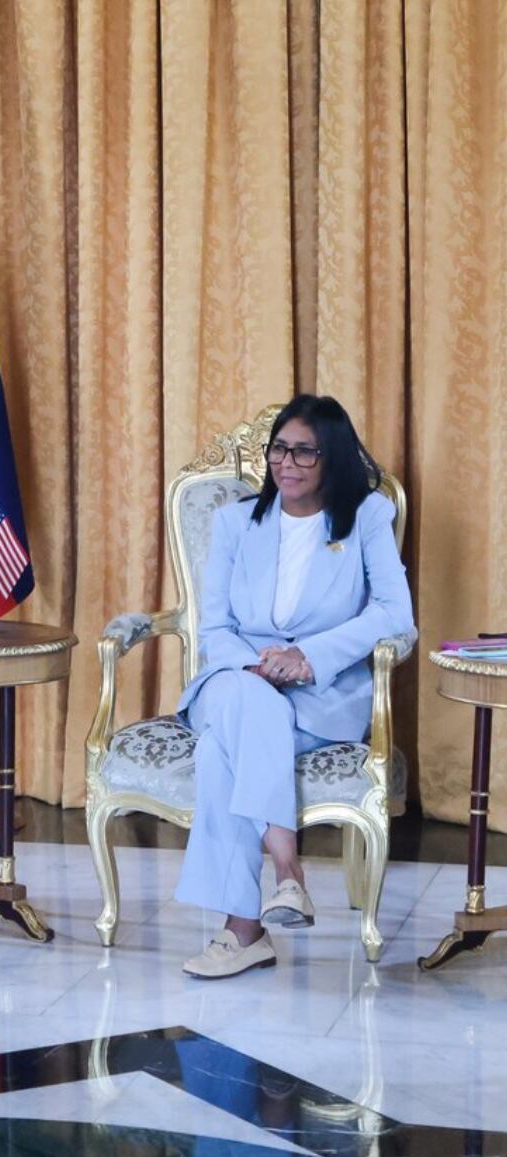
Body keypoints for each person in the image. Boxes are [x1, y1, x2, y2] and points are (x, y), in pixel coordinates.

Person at [172, 394, 414, 978]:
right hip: (236, 679)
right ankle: (289, 872)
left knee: (219, 753)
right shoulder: (235, 522)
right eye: (279, 448)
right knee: (245, 699)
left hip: (318, 695)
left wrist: (307, 658)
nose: (287, 462)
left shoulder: (366, 520)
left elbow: (394, 613)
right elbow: (216, 628)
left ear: (331, 458)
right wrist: (257, 666)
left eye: (304, 451)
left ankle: (243, 932)